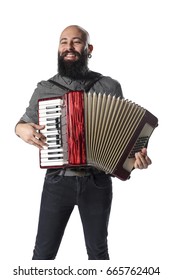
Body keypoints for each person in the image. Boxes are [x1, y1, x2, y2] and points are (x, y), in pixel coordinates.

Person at [15, 25, 152, 260]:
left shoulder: (109, 86)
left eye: (76, 42)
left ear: (88, 49)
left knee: (98, 254)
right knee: (43, 254)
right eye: (63, 42)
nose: (69, 47)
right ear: (58, 49)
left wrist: (135, 160)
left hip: (97, 183)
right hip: (56, 182)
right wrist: (20, 129)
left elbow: (121, 136)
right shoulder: (45, 88)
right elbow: (22, 124)